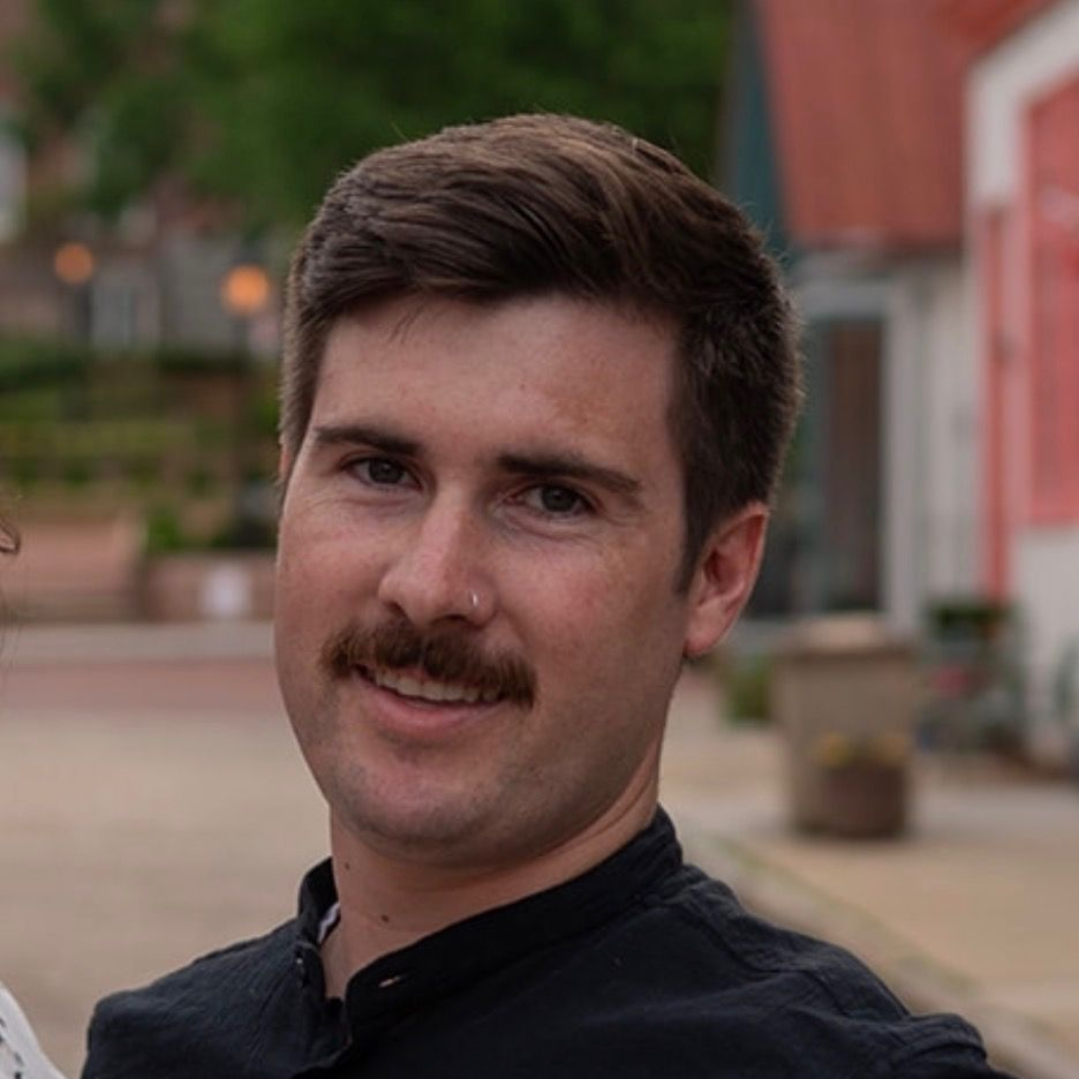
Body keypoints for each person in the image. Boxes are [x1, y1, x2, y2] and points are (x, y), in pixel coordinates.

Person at [80, 115, 1015, 1078]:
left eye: (552, 498)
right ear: (285, 493)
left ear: (716, 575)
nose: (430, 584)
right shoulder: (158, 1052)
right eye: (378, 471)